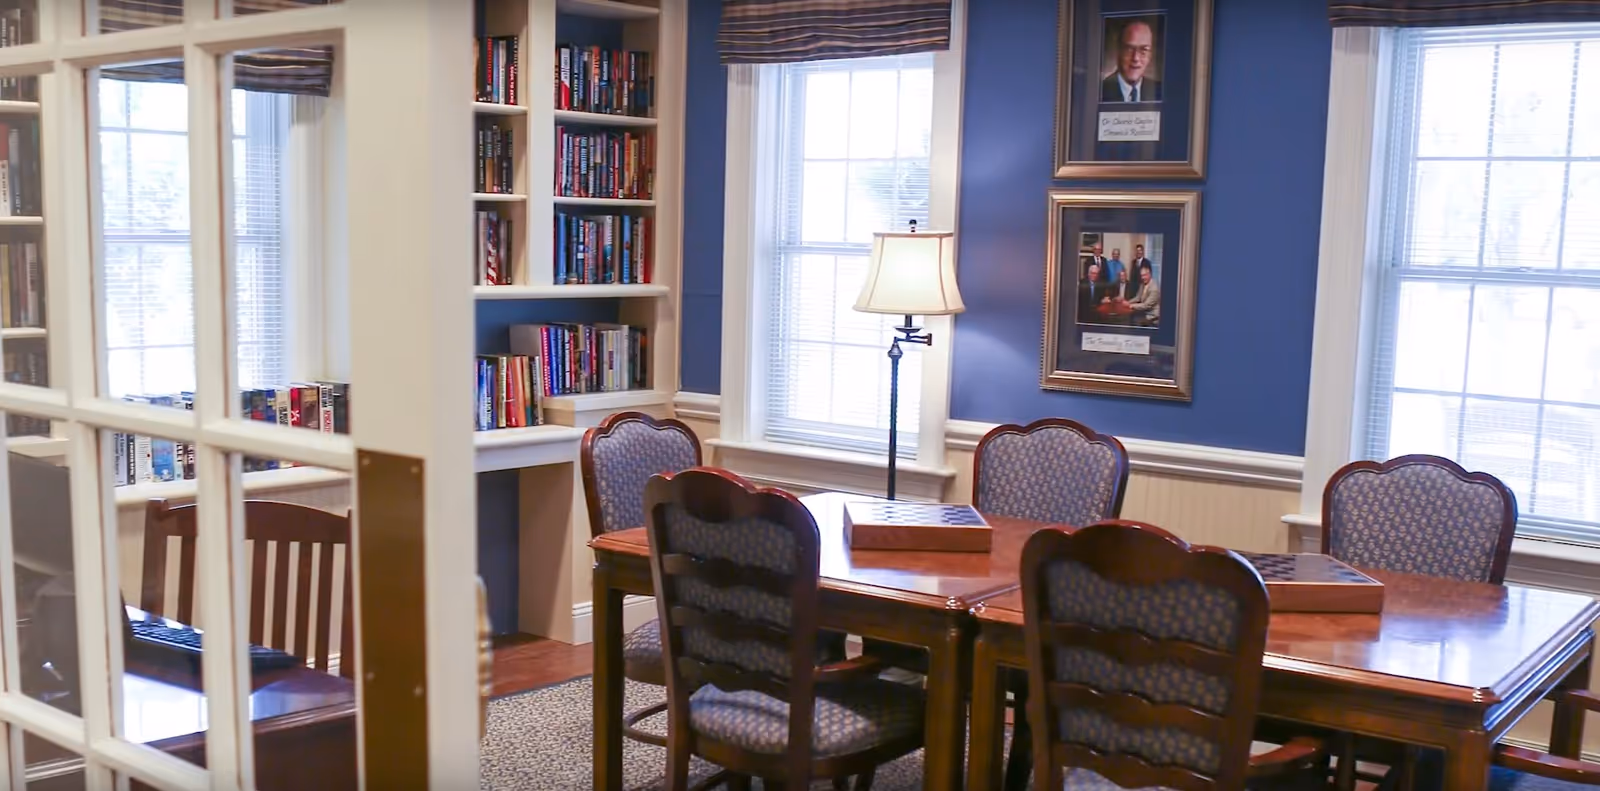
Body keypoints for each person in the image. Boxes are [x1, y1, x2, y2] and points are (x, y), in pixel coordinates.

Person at [1100, 19, 1161, 103]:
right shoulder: (1099, 92)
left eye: (1143, 50)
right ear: (1119, 51)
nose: (1135, 58)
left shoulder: (1160, 92)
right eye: (1129, 49)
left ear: (1150, 55)